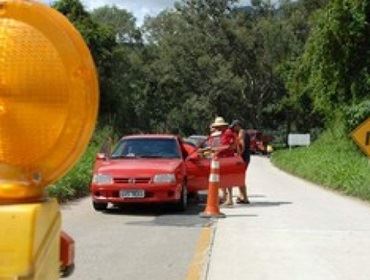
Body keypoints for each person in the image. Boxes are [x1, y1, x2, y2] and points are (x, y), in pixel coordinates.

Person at [210, 116, 237, 206]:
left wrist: (219, 149)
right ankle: (225, 197)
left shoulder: (228, 133)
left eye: (218, 126)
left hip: (227, 158)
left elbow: (231, 146)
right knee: (223, 179)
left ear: (222, 125)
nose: (216, 128)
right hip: (221, 158)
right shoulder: (220, 133)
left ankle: (229, 199)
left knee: (228, 178)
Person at [230, 120, 250, 204]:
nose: (233, 129)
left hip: (243, 158)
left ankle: (245, 197)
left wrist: (238, 156)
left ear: (238, 125)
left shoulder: (241, 132)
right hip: (245, 158)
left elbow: (242, 146)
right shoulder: (243, 133)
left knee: (240, 177)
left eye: (234, 127)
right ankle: (242, 196)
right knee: (240, 177)